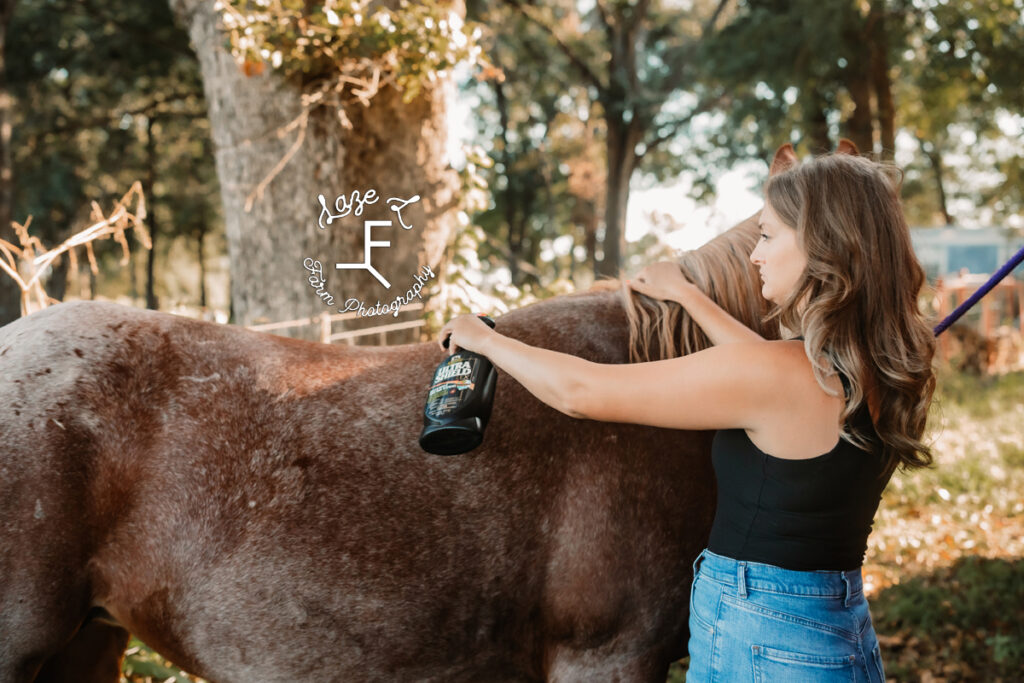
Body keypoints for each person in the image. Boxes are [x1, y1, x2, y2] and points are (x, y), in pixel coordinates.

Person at [437, 147, 936, 682]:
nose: (754, 256)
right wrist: (689, 298)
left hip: (762, 639)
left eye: (767, 236)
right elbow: (760, 369)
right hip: (832, 629)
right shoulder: (869, 367)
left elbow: (580, 391)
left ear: (824, 246)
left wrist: (485, 340)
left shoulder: (781, 376)